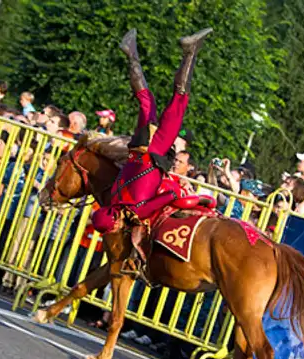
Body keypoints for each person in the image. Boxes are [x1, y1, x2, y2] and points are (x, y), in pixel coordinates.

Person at [90, 27, 213, 275]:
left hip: (152, 153)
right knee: (146, 99)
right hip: (136, 149)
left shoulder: (134, 211)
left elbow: (167, 198)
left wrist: (191, 197)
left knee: (179, 99)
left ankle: (190, 52)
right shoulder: (115, 196)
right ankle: (132, 53)